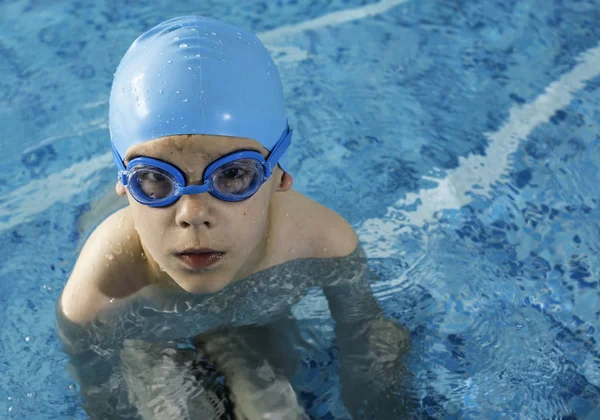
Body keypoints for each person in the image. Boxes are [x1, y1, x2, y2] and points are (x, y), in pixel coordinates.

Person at [56, 15, 410, 420]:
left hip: (253, 318)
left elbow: (371, 340)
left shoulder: (322, 243)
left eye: (233, 174)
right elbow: (106, 404)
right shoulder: (100, 292)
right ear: (122, 185)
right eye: (154, 179)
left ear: (280, 176)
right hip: (151, 337)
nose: (193, 215)